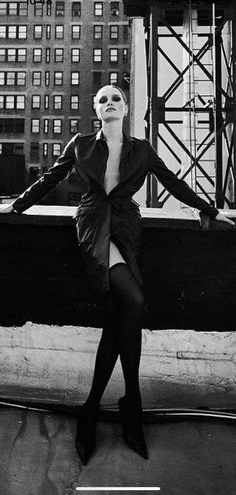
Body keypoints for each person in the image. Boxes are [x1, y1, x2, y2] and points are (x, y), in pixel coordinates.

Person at [0, 84, 234, 465]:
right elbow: (51, 179)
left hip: (126, 228)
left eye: (116, 99)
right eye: (103, 100)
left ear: (125, 109)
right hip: (94, 226)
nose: (110, 103)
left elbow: (172, 182)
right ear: (97, 110)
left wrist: (209, 209)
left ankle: (92, 409)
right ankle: (132, 404)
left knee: (117, 318)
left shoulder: (141, 150)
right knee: (136, 299)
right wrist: (17, 205)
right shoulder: (81, 144)